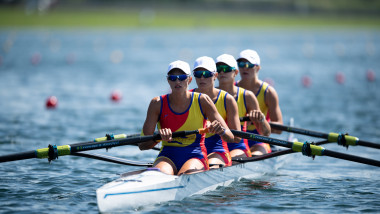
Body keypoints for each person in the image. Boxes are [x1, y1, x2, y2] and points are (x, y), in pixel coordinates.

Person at [139, 60, 234, 175]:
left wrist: (221, 130)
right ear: (168, 80)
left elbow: (230, 137)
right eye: (173, 78)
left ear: (189, 80)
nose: (177, 81)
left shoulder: (202, 100)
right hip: (167, 156)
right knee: (157, 175)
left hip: (195, 155)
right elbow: (142, 145)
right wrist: (157, 138)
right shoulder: (157, 103)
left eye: (182, 77)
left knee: (184, 176)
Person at [190, 56, 241, 167]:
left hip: (217, 150)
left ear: (215, 76)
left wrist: (220, 130)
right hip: (191, 150)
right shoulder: (187, 96)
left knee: (210, 167)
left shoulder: (227, 99)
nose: (202, 78)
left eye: (207, 74)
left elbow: (236, 138)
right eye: (198, 74)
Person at [216, 54, 271, 156]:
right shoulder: (208, 96)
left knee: (256, 154)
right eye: (218, 68)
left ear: (235, 72)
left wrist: (261, 119)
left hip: (238, 145)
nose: (222, 72)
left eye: (226, 69)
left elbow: (266, 134)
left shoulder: (247, 96)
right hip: (215, 146)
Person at [235, 49, 283, 154]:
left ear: (258, 67)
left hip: (259, 139)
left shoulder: (268, 92)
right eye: (241, 64)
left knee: (256, 154)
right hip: (237, 137)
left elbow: (279, 129)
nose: (244, 68)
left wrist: (260, 121)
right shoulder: (232, 89)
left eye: (249, 64)